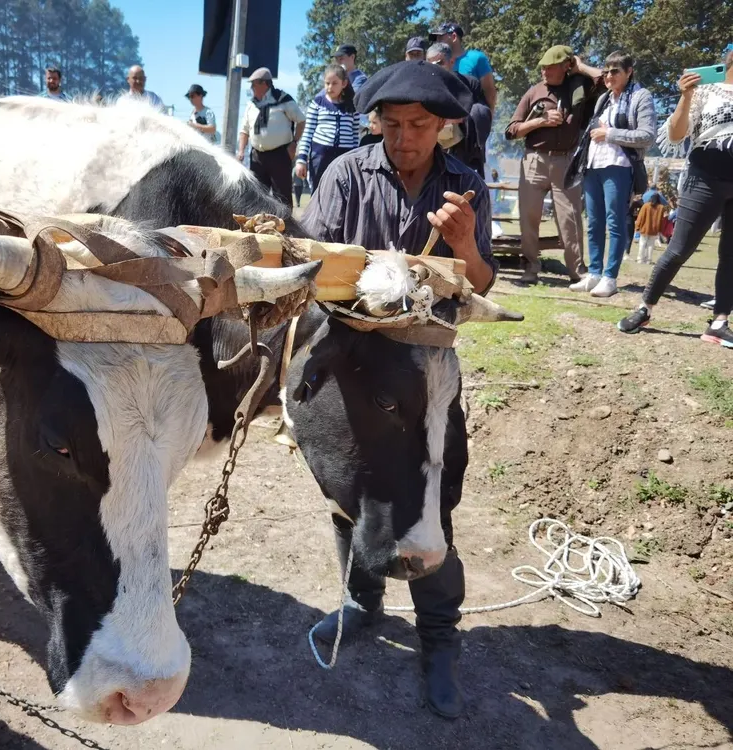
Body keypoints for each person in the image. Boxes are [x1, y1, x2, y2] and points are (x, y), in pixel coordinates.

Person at [302, 60, 496, 720]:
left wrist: (465, 244)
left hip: (426, 373)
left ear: (444, 126)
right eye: (391, 125)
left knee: (427, 503)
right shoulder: (344, 174)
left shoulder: (465, 186)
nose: (404, 138)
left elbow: (482, 283)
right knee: (349, 491)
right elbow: (312, 261)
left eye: (419, 127)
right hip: (354, 368)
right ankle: (361, 604)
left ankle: (438, 640)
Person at [618, 47, 733, 348]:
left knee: (731, 256)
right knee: (679, 248)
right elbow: (677, 133)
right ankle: (645, 308)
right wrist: (685, 95)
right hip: (705, 177)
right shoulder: (707, 90)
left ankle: (719, 323)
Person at [505, 45, 605, 284]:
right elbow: (511, 131)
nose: (544, 72)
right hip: (534, 161)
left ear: (565, 66)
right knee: (529, 219)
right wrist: (541, 121)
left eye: (550, 67)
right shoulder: (534, 91)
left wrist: (580, 66)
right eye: (543, 67)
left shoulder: (579, 86)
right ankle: (530, 269)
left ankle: (578, 272)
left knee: (570, 220)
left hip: (566, 161)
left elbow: (605, 81)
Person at [569, 51, 657, 298]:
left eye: (615, 71)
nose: (608, 76)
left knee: (615, 222)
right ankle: (594, 274)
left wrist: (610, 134)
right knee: (594, 222)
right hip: (594, 166)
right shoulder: (604, 99)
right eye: (606, 71)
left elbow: (647, 135)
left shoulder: (641, 96)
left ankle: (610, 277)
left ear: (629, 72)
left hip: (620, 166)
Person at [237, 67, 307, 207]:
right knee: (256, 195)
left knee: (282, 197)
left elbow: (301, 120)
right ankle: (256, 225)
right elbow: (244, 130)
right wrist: (240, 151)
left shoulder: (283, 99)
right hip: (257, 156)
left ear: (265, 84)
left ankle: (285, 226)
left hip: (280, 155)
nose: (251, 87)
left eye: (254, 84)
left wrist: (294, 143)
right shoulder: (251, 104)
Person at [427, 42, 492, 178]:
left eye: (439, 63)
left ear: (451, 61)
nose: (434, 68)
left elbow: (482, 114)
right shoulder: (420, 86)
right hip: (428, 148)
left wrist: (459, 117)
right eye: (429, 64)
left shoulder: (469, 84)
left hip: (462, 151)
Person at [295, 64, 361, 192]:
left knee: (342, 193)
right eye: (327, 83)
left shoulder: (352, 107)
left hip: (345, 158)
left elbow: (354, 136)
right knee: (318, 193)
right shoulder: (317, 103)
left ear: (344, 83)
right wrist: (301, 159)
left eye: (334, 83)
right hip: (320, 157)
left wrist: (355, 159)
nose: (330, 87)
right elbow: (308, 132)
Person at [428, 21, 498, 110]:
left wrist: (488, 118)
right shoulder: (434, 63)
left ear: (454, 37)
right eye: (436, 39)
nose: (437, 42)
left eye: (440, 38)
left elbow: (489, 92)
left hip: (472, 119)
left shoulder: (476, 58)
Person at [634, 193, 667, 263]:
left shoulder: (646, 206)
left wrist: (637, 226)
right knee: (651, 244)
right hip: (654, 229)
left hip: (644, 228)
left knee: (642, 243)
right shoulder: (661, 207)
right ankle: (648, 259)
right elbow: (662, 220)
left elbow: (640, 217)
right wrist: (660, 230)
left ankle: (640, 259)